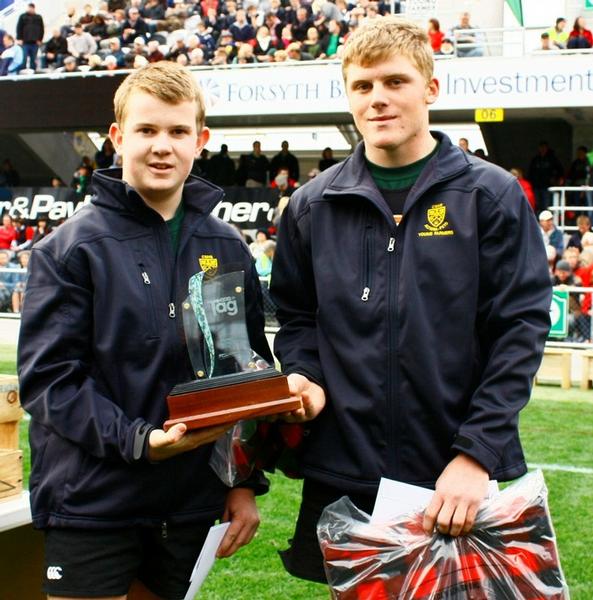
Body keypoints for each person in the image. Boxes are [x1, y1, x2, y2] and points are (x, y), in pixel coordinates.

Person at [270, 17, 551, 586]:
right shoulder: (310, 205)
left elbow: (519, 330)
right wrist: (304, 374)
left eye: (395, 82)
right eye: (363, 86)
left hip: (454, 470)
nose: (378, 99)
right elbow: (297, 318)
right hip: (345, 467)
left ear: (430, 88)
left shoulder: (490, 195)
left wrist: (477, 454)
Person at [17, 61, 271, 600]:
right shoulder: (68, 250)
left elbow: (244, 372)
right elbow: (52, 383)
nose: (163, 146)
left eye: (178, 131)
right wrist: (140, 442)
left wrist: (243, 483)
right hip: (93, 502)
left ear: (200, 140)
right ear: (117, 137)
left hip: (188, 504)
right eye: (146, 130)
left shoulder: (227, 247)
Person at [16, 2, 44, 71]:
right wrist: (19, 38)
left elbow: (42, 29)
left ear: (34, 8)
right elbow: (19, 28)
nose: (30, 9)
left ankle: (33, 73)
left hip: (35, 43)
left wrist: (40, 40)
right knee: (23, 58)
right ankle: (22, 72)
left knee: (33, 59)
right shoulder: (22, 16)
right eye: (29, 8)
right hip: (25, 42)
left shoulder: (38, 17)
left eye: (32, 8)